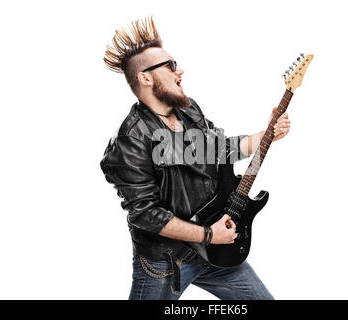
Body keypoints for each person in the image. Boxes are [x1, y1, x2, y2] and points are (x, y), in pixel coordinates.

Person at [100, 17, 291, 300]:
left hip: (217, 253)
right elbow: (145, 214)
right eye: (171, 65)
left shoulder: (189, 111)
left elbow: (219, 149)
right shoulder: (131, 140)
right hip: (167, 263)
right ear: (146, 77)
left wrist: (266, 135)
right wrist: (208, 234)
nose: (181, 70)